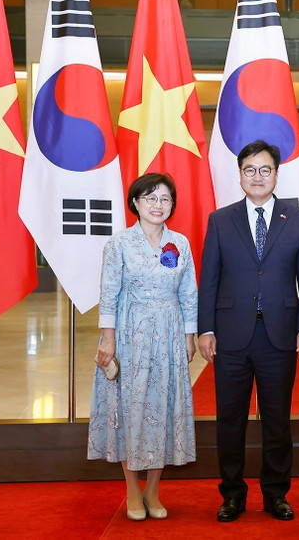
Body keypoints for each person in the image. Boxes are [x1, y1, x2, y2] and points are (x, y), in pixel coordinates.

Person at [198, 140, 299, 522]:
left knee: (277, 419)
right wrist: (205, 328)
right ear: (240, 175)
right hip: (231, 336)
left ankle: (275, 494)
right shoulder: (221, 219)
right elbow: (210, 279)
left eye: (265, 170)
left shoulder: (298, 220)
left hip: (280, 335)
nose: (257, 176)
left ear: (276, 174)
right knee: (229, 420)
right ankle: (232, 493)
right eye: (250, 170)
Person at [88, 173, 197, 521]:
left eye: (164, 199)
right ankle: (132, 488)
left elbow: (188, 293)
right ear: (135, 202)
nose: (157, 205)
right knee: (130, 410)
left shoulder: (179, 243)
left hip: (169, 333)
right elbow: (108, 294)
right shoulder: (119, 244)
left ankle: (153, 489)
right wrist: (108, 338)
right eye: (150, 198)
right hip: (129, 334)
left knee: (163, 407)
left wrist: (189, 336)